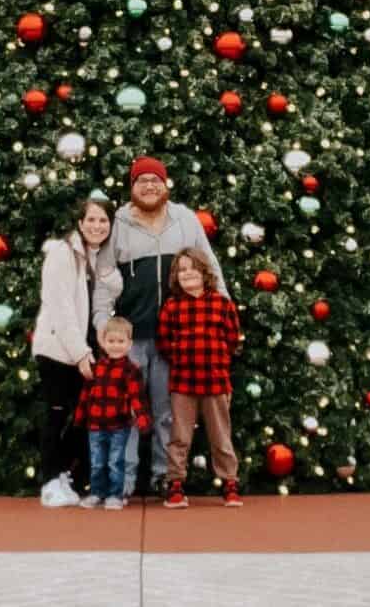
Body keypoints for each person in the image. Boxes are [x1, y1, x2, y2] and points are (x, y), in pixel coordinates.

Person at [93, 156, 228, 499]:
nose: (150, 186)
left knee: (168, 414)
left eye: (156, 180)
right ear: (132, 187)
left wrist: (223, 308)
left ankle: (165, 479)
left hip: (176, 340)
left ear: (165, 185)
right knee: (128, 412)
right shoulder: (119, 222)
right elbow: (106, 278)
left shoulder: (185, 219)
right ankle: (124, 483)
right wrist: (100, 324)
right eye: (142, 181)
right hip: (130, 338)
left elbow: (209, 265)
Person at [33, 197, 121, 508]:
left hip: (85, 350)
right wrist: (81, 353)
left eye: (103, 221)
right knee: (56, 415)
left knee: (82, 418)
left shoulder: (98, 258)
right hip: (59, 349)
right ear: (80, 223)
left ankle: (63, 476)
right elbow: (61, 308)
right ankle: (48, 481)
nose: (97, 226)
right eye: (92, 220)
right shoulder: (62, 253)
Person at [156, 248, 243, 510]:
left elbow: (231, 338)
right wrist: (182, 358)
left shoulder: (221, 303)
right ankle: (175, 485)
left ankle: (229, 483)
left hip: (215, 382)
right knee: (180, 436)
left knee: (220, 436)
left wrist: (217, 361)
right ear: (176, 277)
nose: (187, 274)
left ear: (205, 273)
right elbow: (164, 341)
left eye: (192, 268)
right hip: (183, 383)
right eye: (181, 270)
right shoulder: (172, 306)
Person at [73, 316, 151, 509]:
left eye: (121, 341)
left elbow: (137, 398)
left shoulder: (131, 370)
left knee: (116, 461)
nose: (116, 346)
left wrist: (142, 419)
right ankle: (97, 492)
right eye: (111, 341)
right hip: (95, 425)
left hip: (119, 426)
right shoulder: (96, 368)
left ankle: (115, 495)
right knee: (97, 462)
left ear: (129, 344)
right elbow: (85, 395)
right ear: (103, 342)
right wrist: (80, 417)